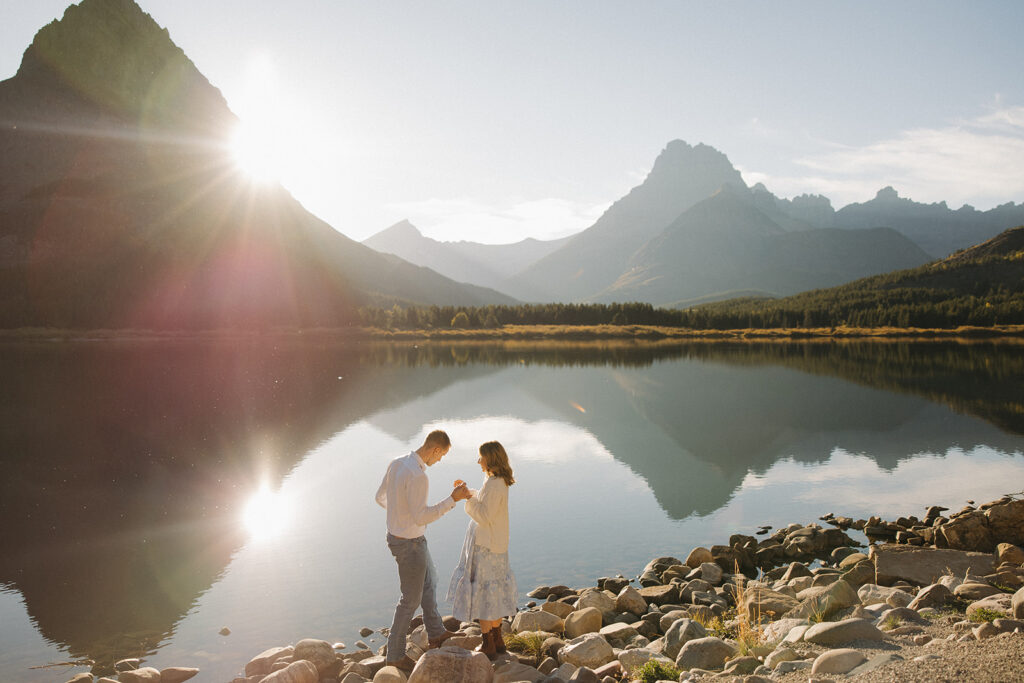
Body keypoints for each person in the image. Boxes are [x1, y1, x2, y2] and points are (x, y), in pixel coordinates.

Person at [375, 429, 472, 672]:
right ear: (435, 449)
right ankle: (394, 655)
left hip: (401, 537)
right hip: (410, 544)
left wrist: (398, 513)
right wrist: (453, 499)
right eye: (441, 456)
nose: (439, 461)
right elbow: (421, 517)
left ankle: (436, 632)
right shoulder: (419, 476)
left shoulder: (397, 463)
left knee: (430, 581)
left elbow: (380, 498)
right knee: (410, 600)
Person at [447, 440, 518, 659]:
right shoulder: (497, 481)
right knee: (495, 591)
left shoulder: (494, 484)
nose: (478, 461)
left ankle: (488, 643)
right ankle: (497, 640)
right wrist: (471, 493)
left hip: (487, 548)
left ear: (490, 459)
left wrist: (467, 499)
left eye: (481, 457)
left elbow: (484, 515)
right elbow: (489, 504)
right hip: (496, 545)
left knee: (485, 592)